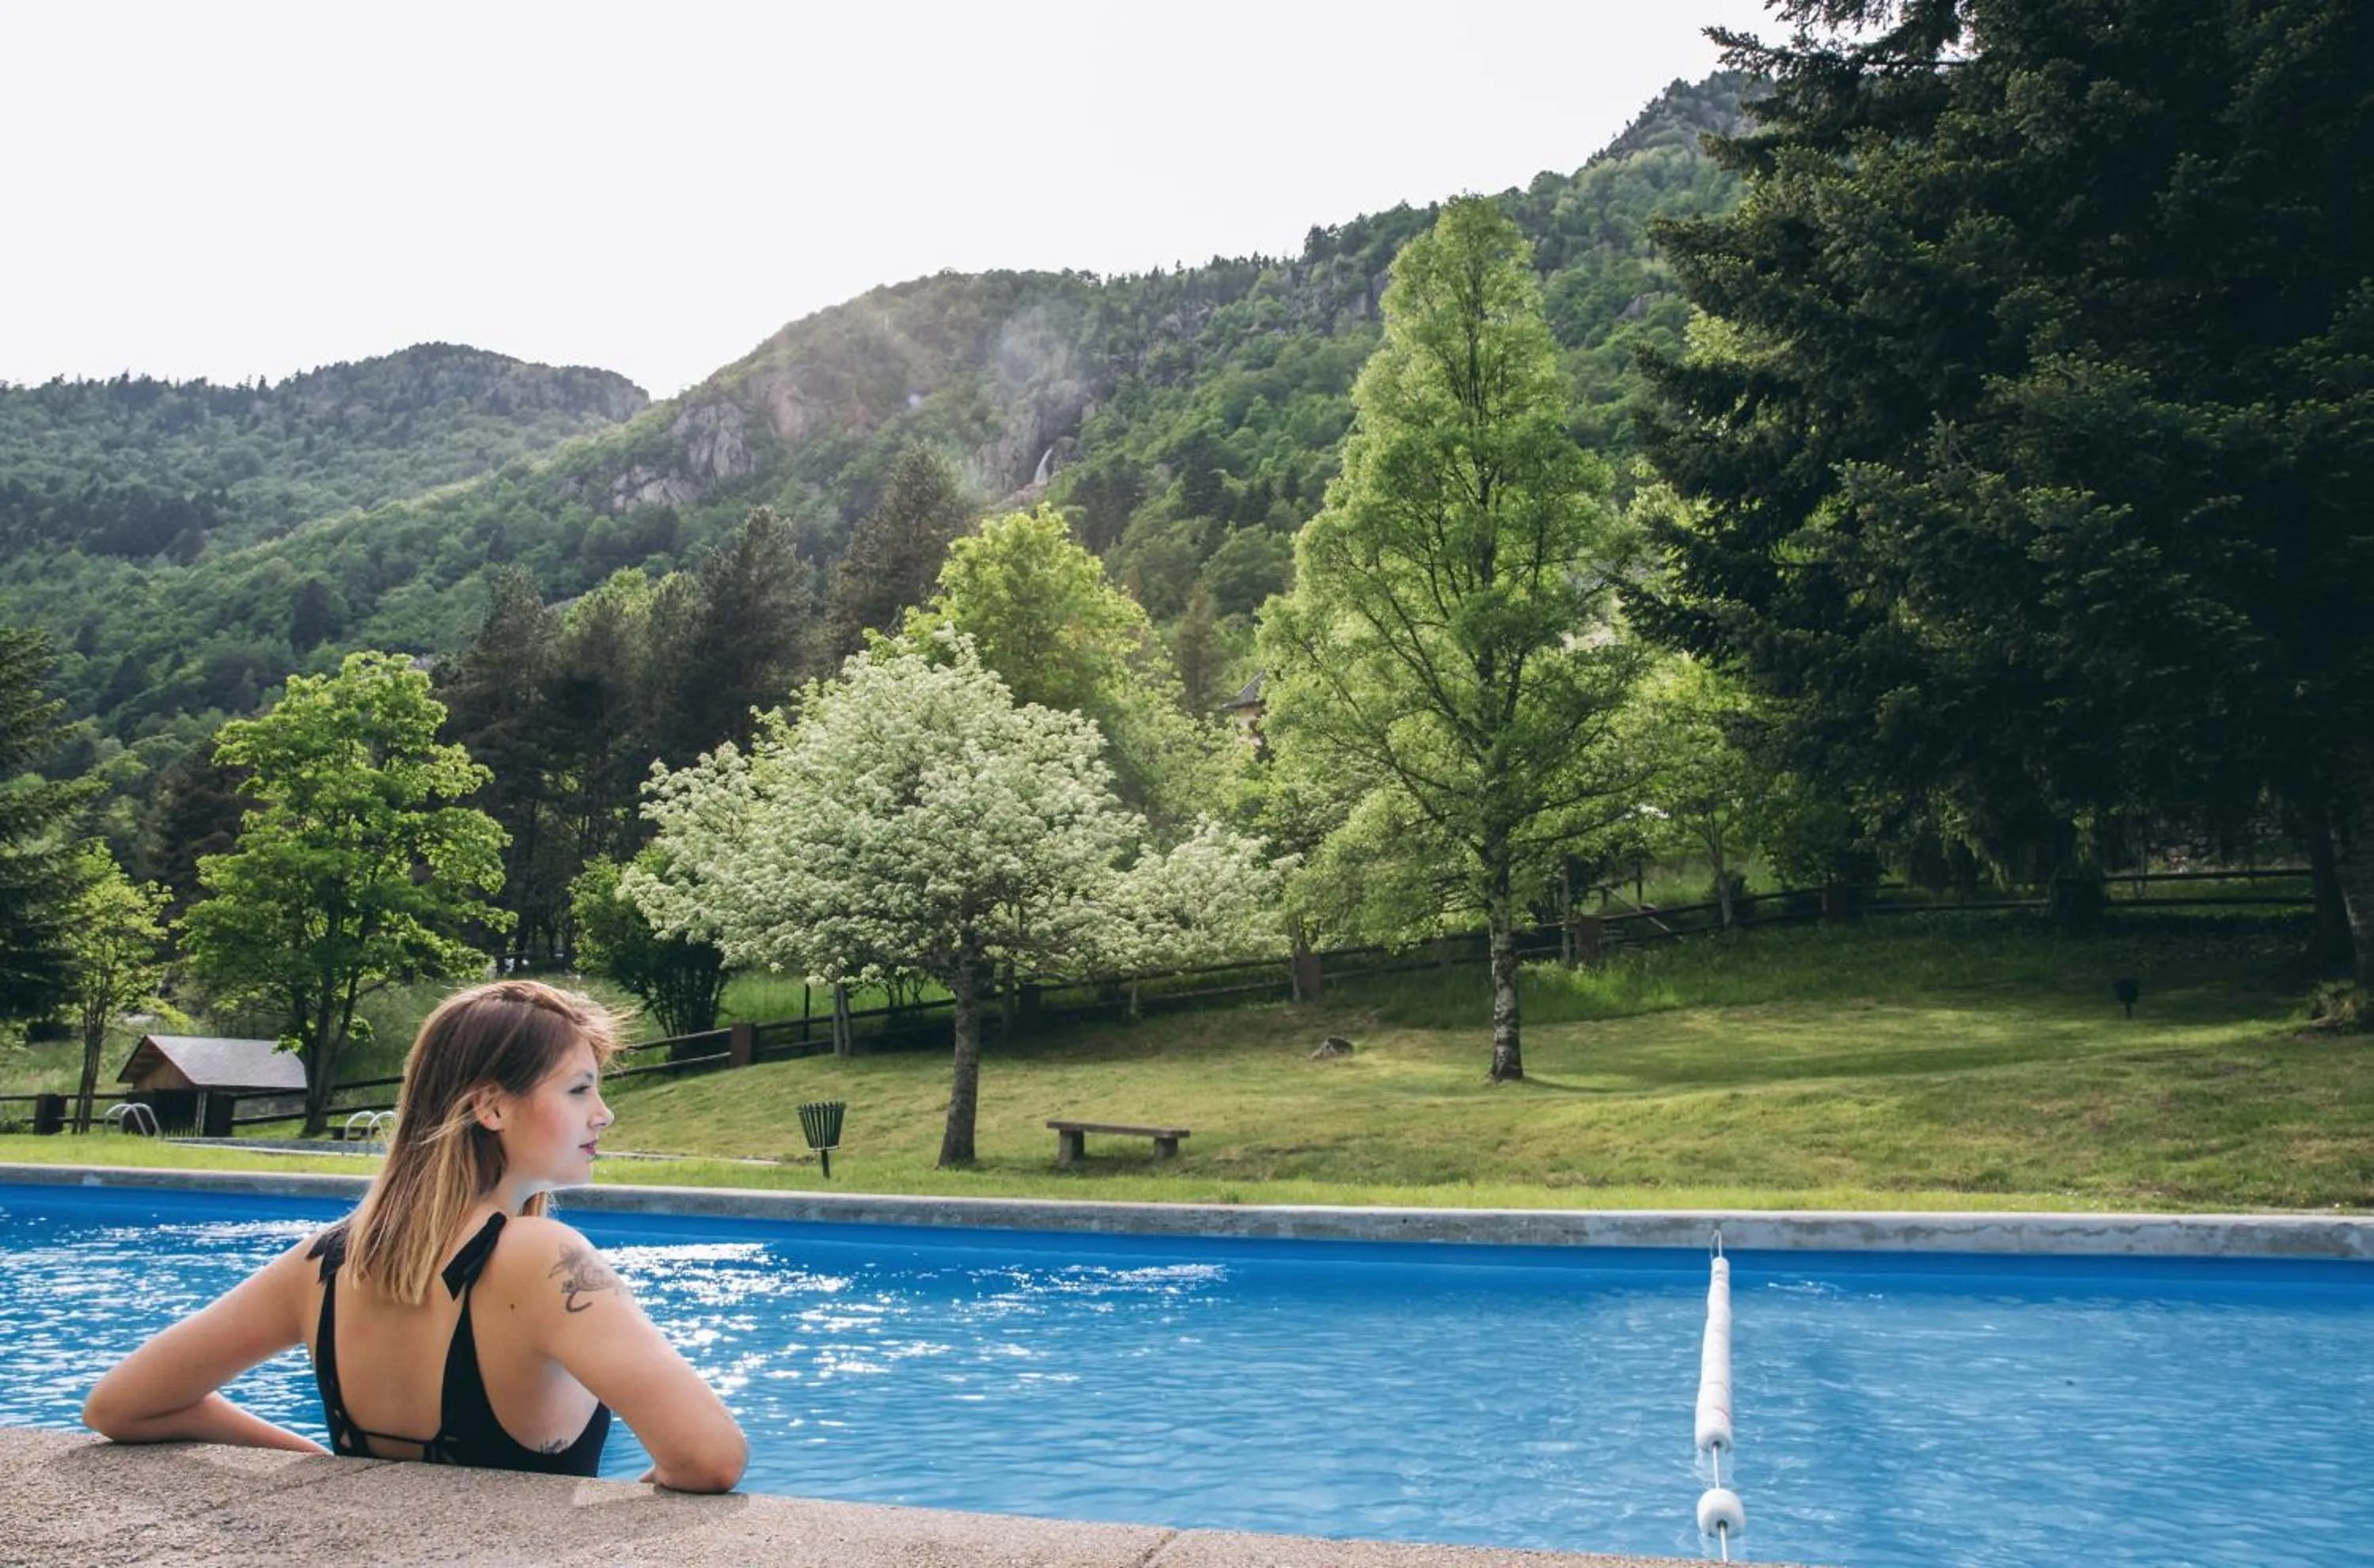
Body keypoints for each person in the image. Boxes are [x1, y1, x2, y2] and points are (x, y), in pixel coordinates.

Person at [82, 979, 747, 1492]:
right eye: (579, 1090)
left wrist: (327, 1468)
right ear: (490, 1107)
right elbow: (709, 1457)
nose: (603, 1114)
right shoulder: (543, 1256)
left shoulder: (326, 1261)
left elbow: (123, 1407)